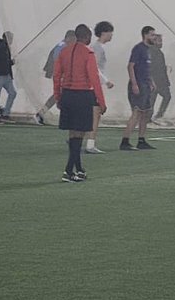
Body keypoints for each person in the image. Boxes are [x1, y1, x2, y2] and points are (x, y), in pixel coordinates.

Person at [53, 23, 106, 182]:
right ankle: (68, 171)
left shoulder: (64, 51)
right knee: (80, 133)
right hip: (82, 94)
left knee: (73, 133)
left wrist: (58, 96)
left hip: (67, 95)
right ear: (87, 37)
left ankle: (79, 169)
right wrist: (101, 101)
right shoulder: (88, 53)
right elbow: (94, 78)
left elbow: (57, 75)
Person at [121, 25, 157, 151]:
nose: (154, 37)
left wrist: (151, 81)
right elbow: (130, 66)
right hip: (139, 84)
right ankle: (124, 141)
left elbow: (147, 68)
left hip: (146, 85)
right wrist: (134, 84)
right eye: (152, 35)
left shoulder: (148, 50)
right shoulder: (138, 49)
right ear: (145, 35)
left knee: (145, 113)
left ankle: (141, 140)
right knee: (137, 113)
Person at [85, 21, 116, 154]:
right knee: (96, 113)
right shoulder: (97, 48)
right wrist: (106, 81)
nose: (112, 35)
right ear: (104, 33)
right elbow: (94, 67)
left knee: (93, 114)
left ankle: (85, 140)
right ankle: (90, 144)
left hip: (94, 84)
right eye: (110, 32)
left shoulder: (98, 47)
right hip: (93, 85)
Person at [34, 29, 76, 125]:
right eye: (74, 39)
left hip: (61, 75)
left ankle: (41, 113)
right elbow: (58, 62)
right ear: (69, 38)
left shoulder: (62, 46)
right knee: (60, 96)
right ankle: (41, 114)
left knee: (59, 96)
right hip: (60, 75)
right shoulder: (62, 47)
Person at [149, 33, 172, 124]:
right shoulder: (152, 52)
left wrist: (165, 67)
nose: (161, 43)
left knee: (164, 97)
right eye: (159, 41)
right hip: (156, 81)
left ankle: (156, 116)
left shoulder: (158, 52)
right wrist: (152, 81)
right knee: (154, 100)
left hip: (161, 81)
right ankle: (154, 117)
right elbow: (150, 68)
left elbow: (158, 66)